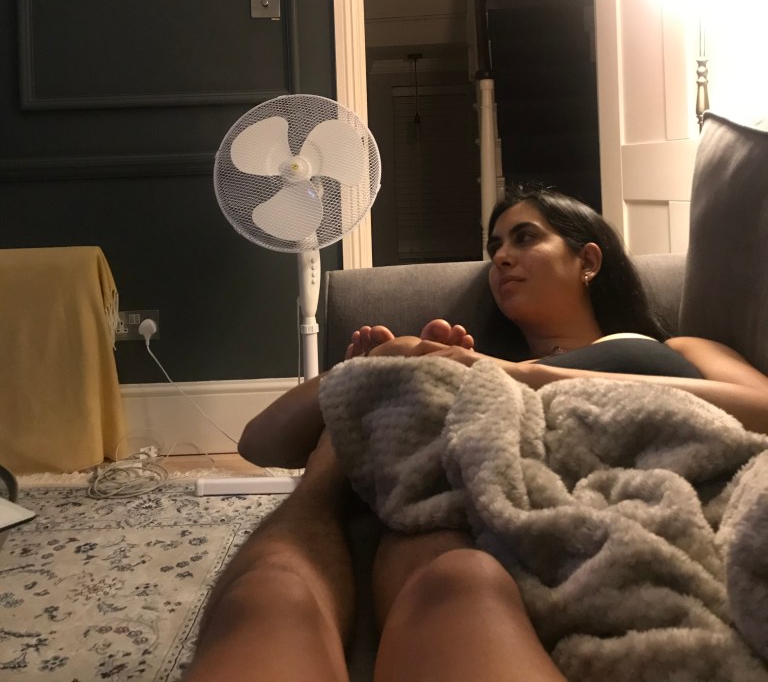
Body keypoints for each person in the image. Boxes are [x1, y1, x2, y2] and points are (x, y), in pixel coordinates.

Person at [182, 185, 768, 682]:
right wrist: (376, 367)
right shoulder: (472, 369)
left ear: (588, 260)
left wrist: (521, 373)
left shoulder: (677, 347)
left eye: (525, 238)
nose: (502, 258)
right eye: (495, 248)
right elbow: (260, 443)